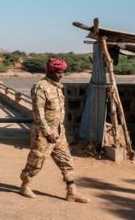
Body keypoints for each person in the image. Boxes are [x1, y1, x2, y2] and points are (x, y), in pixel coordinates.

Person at [19, 58, 90, 203]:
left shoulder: (58, 87)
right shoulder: (40, 87)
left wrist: (59, 131)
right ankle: (25, 185)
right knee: (36, 161)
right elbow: (38, 113)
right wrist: (47, 133)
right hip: (44, 134)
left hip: (59, 132)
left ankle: (72, 191)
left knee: (67, 161)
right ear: (50, 72)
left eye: (63, 72)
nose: (61, 75)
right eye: (58, 72)